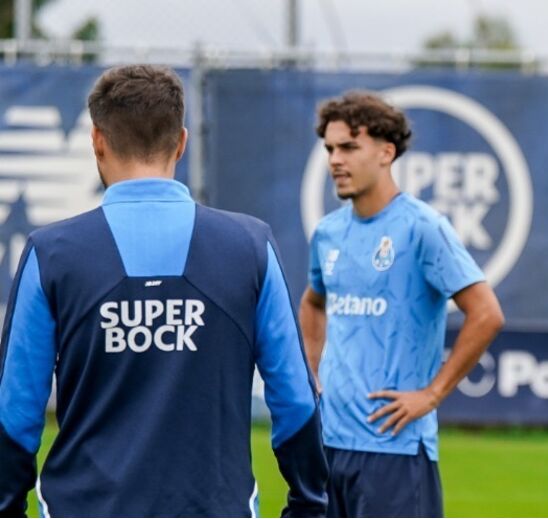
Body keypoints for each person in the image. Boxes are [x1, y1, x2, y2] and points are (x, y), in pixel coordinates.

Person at [0, 65, 327, 517]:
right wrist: (309, 506)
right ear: (182, 142)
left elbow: (14, 414)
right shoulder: (250, 246)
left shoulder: (51, 253)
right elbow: (296, 400)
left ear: (96, 140)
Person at [299, 91, 504, 518]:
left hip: (394, 447)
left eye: (349, 147)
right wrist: (311, 374)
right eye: (330, 149)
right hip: (328, 442)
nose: (335, 160)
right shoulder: (328, 233)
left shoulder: (423, 228)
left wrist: (431, 395)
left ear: (386, 152)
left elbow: (486, 313)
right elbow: (314, 303)